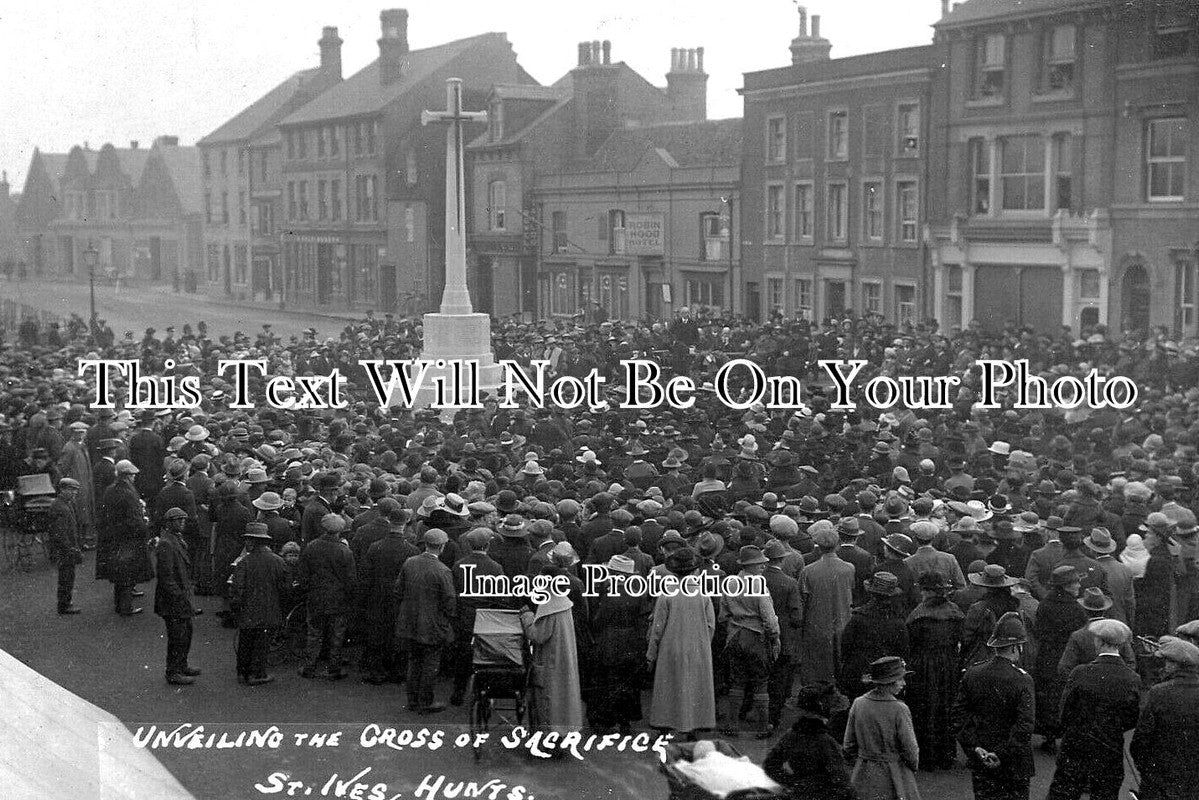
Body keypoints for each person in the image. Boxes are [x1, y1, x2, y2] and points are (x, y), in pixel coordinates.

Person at [1047, 619, 1140, 800]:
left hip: (1075, 746)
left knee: (1063, 793)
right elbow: (1131, 718)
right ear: (1120, 645)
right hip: (1109, 748)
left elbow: (1065, 712)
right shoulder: (1132, 678)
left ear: (1099, 642)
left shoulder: (1080, 672)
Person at [953, 611, 1036, 800]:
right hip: (1015, 762)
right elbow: (1025, 726)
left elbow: (958, 716)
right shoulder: (1023, 680)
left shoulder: (973, 673)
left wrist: (973, 747)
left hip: (981, 756)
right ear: (1016, 647)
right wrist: (1002, 753)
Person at [647, 547, 716, 738]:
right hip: (697, 647)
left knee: (668, 689)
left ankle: (663, 730)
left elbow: (657, 628)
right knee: (694, 687)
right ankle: (692, 729)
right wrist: (703, 643)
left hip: (670, 647)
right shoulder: (703, 595)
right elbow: (711, 625)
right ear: (695, 571)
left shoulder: (667, 594)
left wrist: (651, 653)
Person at [718, 545, 780, 738]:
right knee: (761, 682)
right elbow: (769, 618)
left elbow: (722, 615)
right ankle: (762, 727)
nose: (763, 565)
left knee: (737, 681)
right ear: (750, 565)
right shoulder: (759, 585)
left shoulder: (730, 583)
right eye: (759, 563)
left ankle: (732, 725)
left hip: (735, 635)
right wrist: (775, 636)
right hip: (756, 636)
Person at [905, 572, 964, 771]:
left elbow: (911, 643)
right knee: (946, 705)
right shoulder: (954, 612)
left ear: (926, 591)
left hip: (924, 665)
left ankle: (927, 755)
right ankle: (946, 754)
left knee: (925, 706)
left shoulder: (918, 615)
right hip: (948, 664)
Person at [589, 553, 653, 734]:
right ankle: (625, 720)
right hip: (631, 640)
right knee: (628, 681)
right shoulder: (638, 592)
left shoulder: (610, 592)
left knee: (607, 680)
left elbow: (599, 619)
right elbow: (644, 617)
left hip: (610, 638)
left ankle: (606, 720)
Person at [394, 528, 455, 714]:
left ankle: (412, 700)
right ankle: (426, 701)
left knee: (414, 662)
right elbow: (449, 601)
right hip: (432, 624)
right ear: (442, 546)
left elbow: (398, 591)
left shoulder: (410, 562)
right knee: (430, 664)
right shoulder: (443, 570)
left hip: (410, 621)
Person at [843, 656, 921, 800]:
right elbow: (911, 749)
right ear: (889, 682)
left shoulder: (858, 703)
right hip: (894, 774)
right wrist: (912, 767)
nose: (904, 683)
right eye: (900, 679)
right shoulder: (899, 709)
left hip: (863, 773)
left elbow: (848, 745)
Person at [1130, 636, 1199, 800]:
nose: (1164, 666)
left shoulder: (1158, 692)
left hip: (1160, 775)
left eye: (1167, 662)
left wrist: (1145, 769)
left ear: (1176, 665)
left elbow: (1141, 738)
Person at [763, 682, 856, 800]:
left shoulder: (791, 735)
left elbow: (770, 764)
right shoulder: (826, 741)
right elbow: (841, 780)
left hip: (798, 793)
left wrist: (793, 782)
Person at [1032, 565, 1087, 754]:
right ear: (1065, 586)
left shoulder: (1045, 604)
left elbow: (1038, 630)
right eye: (1075, 582)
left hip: (1047, 655)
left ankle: (1048, 735)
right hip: (1068, 655)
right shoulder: (1077, 609)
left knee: (1048, 694)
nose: (1079, 585)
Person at [229, 522, 290, 686]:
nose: (246, 543)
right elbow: (286, 589)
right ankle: (257, 674)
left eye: (249, 540)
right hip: (270, 610)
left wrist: (235, 608)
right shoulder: (278, 562)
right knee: (262, 644)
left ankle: (242, 673)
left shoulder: (244, 562)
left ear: (256, 541)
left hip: (248, 611)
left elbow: (237, 589)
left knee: (246, 642)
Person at [297, 513, 356, 681]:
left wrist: (308, 589)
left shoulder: (311, 547)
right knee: (336, 635)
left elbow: (303, 574)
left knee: (314, 633)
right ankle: (333, 669)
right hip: (338, 599)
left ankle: (309, 667)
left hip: (316, 597)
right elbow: (351, 580)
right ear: (340, 531)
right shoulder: (345, 552)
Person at [839, 572, 910, 702]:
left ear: (871, 594)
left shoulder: (858, 618)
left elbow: (845, 647)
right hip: (888, 673)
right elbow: (904, 651)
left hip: (860, 672)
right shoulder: (898, 621)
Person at [521, 592, 585, 735]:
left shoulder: (548, 607)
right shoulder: (563, 603)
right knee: (563, 699)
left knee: (549, 702)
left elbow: (537, 635)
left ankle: (551, 739)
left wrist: (527, 616)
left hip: (550, 662)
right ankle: (562, 734)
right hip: (563, 659)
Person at [800, 520, 855, 684]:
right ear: (837, 545)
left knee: (818, 666)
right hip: (843, 619)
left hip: (816, 622)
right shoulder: (849, 568)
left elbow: (803, 599)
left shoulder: (808, 570)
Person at [154, 507, 200, 686]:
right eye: (178, 520)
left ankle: (182, 665)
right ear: (169, 523)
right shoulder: (167, 543)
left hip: (180, 597)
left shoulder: (174, 539)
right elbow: (166, 577)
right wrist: (180, 596)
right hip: (173, 600)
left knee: (186, 632)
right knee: (177, 636)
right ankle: (173, 671)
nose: (182, 523)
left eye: (183, 519)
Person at [762, 538, 802, 735]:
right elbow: (797, 616)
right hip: (783, 637)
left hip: (759, 634)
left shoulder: (755, 580)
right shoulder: (790, 583)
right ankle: (772, 718)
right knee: (779, 678)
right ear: (782, 559)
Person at [103, 459, 151, 616]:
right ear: (127, 476)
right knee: (128, 572)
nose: (134, 477)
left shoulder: (110, 489)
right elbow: (134, 518)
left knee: (120, 573)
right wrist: (145, 529)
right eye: (132, 475)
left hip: (114, 536)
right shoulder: (129, 493)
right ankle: (126, 607)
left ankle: (120, 604)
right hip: (129, 537)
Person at [47, 477, 83, 615]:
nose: (74, 493)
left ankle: (65, 602)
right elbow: (60, 533)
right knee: (66, 577)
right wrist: (71, 548)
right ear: (62, 490)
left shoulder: (63, 504)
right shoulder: (61, 507)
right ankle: (64, 605)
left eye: (76, 490)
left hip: (66, 548)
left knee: (67, 576)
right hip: (65, 549)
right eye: (71, 490)